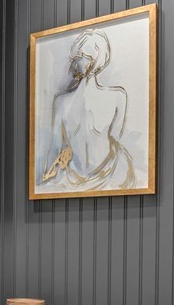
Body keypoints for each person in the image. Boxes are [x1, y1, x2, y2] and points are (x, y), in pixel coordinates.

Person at [40, 29, 136, 191]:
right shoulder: (62, 101)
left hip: (107, 175)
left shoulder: (118, 97)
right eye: (76, 57)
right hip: (73, 178)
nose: (74, 63)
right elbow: (56, 147)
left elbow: (55, 147)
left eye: (80, 56)